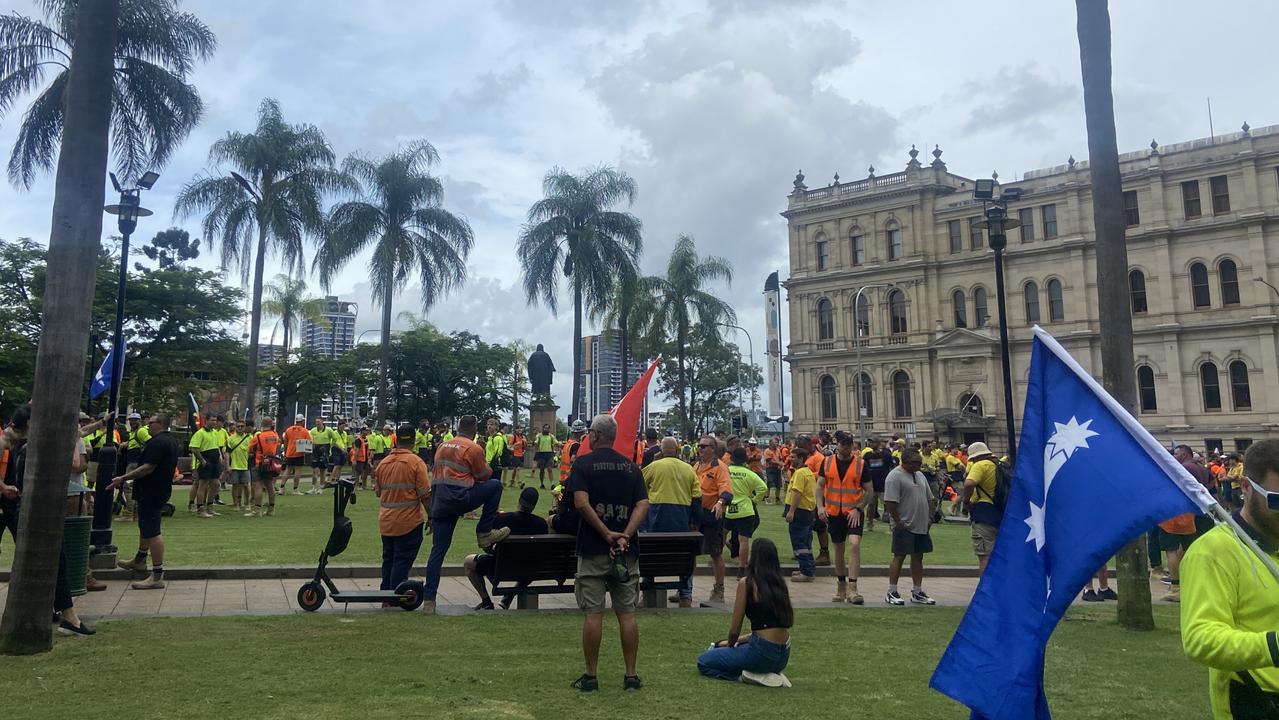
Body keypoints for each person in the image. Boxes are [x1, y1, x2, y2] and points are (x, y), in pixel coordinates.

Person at [1181, 439, 1279, 718]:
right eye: (1277, 500)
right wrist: (1273, 646)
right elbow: (1201, 638)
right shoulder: (1212, 552)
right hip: (1256, 701)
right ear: (1245, 487)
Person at [568, 414, 650, 693]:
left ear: (594, 435)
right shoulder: (631, 467)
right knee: (627, 614)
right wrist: (625, 533)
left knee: (594, 614)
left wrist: (605, 533)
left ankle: (591, 676)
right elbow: (642, 504)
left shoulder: (583, 464)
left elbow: (580, 502)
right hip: (626, 551)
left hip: (593, 549)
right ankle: (631, 676)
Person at [421, 415, 510, 614]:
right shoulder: (473, 448)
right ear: (475, 428)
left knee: (438, 552)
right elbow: (484, 474)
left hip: (441, 504)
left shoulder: (443, 446)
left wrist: (432, 515)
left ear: (458, 427)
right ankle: (484, 532)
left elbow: (436, 479)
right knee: (495, 486)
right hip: (461, 499)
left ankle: (429, 600)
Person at [697, 537, 794, 687]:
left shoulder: (747, 583)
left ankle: (747, 676)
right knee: (729, 649)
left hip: (761, 653)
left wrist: (730, 644)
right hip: (783, 656)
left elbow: (735, 629)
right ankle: (768, 674)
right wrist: (725, 644)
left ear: (755, 558)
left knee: (704, 661)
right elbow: (766, 629)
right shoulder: (781, 584)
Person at [112, 413, 180, 590]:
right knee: (146, 527)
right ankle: (140, 559)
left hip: (152, 490)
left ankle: (157, 575)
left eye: (151, 423)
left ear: (161, 424)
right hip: (157, 489)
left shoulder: (158, 442)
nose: (147, 425)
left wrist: (123, 477)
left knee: (153, 531)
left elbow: (148, 467)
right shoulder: (170, 440)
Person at [463, 486, 549, 610]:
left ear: (519, 500)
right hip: (529, 569)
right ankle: (510, 595)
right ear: (534, 505)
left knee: (468, 561)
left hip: (500, 568)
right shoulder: (541, 524)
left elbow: (486, 543)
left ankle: (486, 601)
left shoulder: (503, 519)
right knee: (528, 563)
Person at [641, 437, 700, 608]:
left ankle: (647, 594)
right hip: (681, 520)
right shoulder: (689, 469)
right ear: (677, 450)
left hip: (656, 520)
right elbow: (696, 497)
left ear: (661, 450)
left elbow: (639, 489)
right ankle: (686, 595)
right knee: (685, 556)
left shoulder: (653, 467)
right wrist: (694, 522)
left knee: (649, 554)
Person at [374, 424, 431, 597]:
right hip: (409, 521)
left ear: (396, 440)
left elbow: (378, 491)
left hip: (386, 521)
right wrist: (432, 516)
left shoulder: (383, 464)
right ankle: (395, 596)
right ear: (414, 441)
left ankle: (385, 595)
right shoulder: (416, 462)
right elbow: (425, 494)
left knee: (388, 560)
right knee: (401, 561)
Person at [816, 430, 868, 604]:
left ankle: (853, 587)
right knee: (838, 548)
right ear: (836, 445)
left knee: (854, 544)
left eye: (849, 444)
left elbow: (870, 491)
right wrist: (820, 506)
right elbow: (819, 486)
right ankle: (841, 586)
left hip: (853, 511)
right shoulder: (827, 462)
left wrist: (858, 508)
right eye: (843, 444)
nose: (846, 447)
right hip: (833, 512)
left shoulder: (860, 464)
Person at [883, 448, 937, 606]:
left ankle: (917, 591)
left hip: (921, 523)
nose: (919, 465)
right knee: (899, 555)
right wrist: (898, 522)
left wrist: (930, 517)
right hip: (904, 524)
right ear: (905, 462)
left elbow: (930, 498)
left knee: (918, 556)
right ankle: (892, 591)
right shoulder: (894, 476)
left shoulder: (919, 475)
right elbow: (890, 502)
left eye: (920, 462)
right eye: (916, 463)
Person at [694, 434, 733, 604]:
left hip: (712, 514)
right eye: (699, 446)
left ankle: (719, 589)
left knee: (715, 553)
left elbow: (726, 489)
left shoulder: (720, 467)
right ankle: (685, 590)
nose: (700, 449)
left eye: (704, 446)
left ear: (713, 449)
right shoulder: (695, 466)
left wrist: (720, 502)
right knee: (690, 552)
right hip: (696, 515)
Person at [726, 447, 768, 577]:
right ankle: (741, 570)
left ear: (732, 459)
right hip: (744, 509)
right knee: (744, 540)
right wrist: (755, 500)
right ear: (745, 460)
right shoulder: (749, 473)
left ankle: (716, 560)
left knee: (720, 536)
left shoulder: (726, 471)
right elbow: (763, 488)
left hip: (726, 508)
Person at [962, 441, 999, 575]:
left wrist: (966, 500)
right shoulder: (999, 464)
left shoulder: (980, 465)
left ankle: (986, 588)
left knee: (984, 555)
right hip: (1001, 511)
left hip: (984, 510)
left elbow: (969, 483)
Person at [784, 447, 817, 582]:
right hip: (808, 511)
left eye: (793, 457)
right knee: (806, 542)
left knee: (799, 542)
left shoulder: (799, 473)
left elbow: (797, 493)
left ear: (801, 458)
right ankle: (807, 568)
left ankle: (806, 572)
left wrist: (791, 511)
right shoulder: (807, 472)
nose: (790, 459)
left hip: (800, 511)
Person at [189, 416, 224, 518]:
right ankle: (200, 509)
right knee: (202, 485)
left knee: (216, 484)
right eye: (212, 420)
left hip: (215, 462)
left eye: (215, 420)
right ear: (206, 421)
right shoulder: (200, 433)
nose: (214, 422)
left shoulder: (215, 433)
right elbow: (195, 448)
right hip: (206, 461)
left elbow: (217, 446)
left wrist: (220, 456)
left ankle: (210, 506)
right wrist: (202, 460)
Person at [246, 417, 281, 517]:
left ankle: (257, 510)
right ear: (271, 424)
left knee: (258, 487)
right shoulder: (275, 435)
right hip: (271, 464)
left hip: (259, 464)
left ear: (262, 423)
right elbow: (277, 446)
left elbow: (249, 450)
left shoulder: (258, 437)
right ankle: (271, 509)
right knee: (270, 486)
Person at [861, 437, 895, 531]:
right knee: (871, 506)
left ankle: (892, 526)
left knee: (888, 505)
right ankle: (869, 525)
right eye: (870, 442)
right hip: (872, 485)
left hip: (884, 485)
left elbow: (892, 468)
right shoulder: (867, 456)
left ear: (879, 443)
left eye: (874, 442)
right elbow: (863, 469)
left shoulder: (886, 455)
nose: (872, 444)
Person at [225, 421, 252, 512]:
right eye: (238, 426)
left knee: (246, 485)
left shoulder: (250, 438)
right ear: (235, 427)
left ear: (245, 427)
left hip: (246, 465)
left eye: (242, 426)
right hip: (234, 465)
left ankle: (247, 503)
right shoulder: (230, 439)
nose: (240, 428)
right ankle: (236, 504)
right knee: (235, 486)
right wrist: (227, 466)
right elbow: (227, 453)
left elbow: (253, 451)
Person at [281, 414, 312, 495]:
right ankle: (295, 489)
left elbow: (285, 442)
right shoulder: (304, 431)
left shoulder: (289, 430)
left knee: (287, 470)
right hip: (299, 454)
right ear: (302, 421)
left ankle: (281, 488)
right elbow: (309, 442)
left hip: (289, 453)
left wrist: (285, 452)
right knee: (297, 471)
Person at [308, 416, 336, 494]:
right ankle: (313, 487)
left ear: (322, 422)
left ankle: (321, 487)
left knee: (323, 471)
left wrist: (330, 447)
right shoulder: (313, 430)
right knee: (315, 470)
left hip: (324, 450)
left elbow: (334, 438)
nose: (317, 423)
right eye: (316, 422)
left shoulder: (328, 430)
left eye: (319, 422)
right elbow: (311, 440)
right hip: (316, 450)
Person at [484, 417, 508, 486]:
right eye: (488, 424)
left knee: (493, 485)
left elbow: (498, 452)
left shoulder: (498, 438)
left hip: (494, 465)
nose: (489, 426)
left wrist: (491, 464)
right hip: (488, 464)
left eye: (491, 424)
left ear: (496, 427)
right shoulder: (489, 438)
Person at [533, 423, 556, 488]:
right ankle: (542, 483)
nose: (546, 429)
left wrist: (561, 444)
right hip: (541, 454)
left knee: (549, 468)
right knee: (542, 469)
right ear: (543, 428)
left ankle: (552, 484)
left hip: (549, 453)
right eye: (545, 428)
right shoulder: (539, 436)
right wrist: (534, 443)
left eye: (548, 428)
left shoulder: (551, 436)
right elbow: (536, 441)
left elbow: (556, 442)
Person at [763, 437, 784, 505]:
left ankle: (777, 498)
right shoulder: (767, 451)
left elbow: (780, 458)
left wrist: (781, 463)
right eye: (775, 442)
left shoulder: (778, 450)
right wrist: (779, 463)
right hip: (770, 468)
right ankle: (767, 498)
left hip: (777, 469)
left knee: (778, 484)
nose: (776, 443)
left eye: (777, 442)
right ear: (770, 443)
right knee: (769, 483)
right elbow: (769, 461)